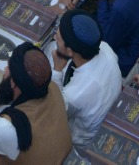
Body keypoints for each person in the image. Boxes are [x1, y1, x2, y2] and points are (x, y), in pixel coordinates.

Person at [48, 11, 122, 149]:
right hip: (105, 111)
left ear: (70, 51)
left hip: (81, 142)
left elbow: (56, 109)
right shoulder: (105, 48)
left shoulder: (76, 94)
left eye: (57, 38)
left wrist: (57, 71)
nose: (54, 37)